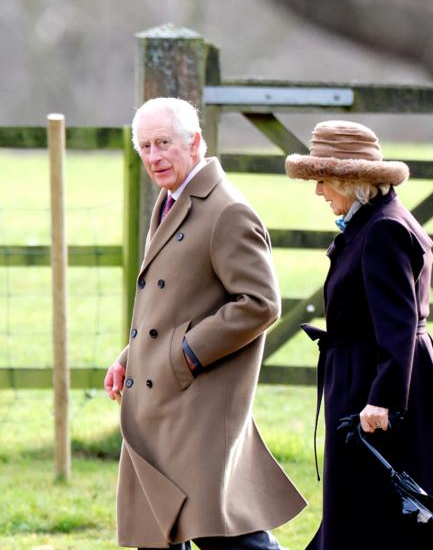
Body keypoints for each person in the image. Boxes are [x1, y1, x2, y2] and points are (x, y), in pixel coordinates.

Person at [104, 97, 306, 549]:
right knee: (156, 532)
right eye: (144, 147)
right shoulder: (171, 200)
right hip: (162, 399)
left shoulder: (226, 210)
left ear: (194, 142)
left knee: (222, 534)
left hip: (200, 403)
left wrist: (184, 355)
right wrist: (129, 357)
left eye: (163, 143)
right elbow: (172, 300)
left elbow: (260, 302)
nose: (153, 156)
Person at [283, 120, 433, 549]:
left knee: (389, 504)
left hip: (378, 387)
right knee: (369, 504)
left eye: (322, 180)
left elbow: (397, 322)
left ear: (349, 179)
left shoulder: (383, 230)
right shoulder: (372, 222)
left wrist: (382, 399)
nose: (319, 192)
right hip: (369, 376)